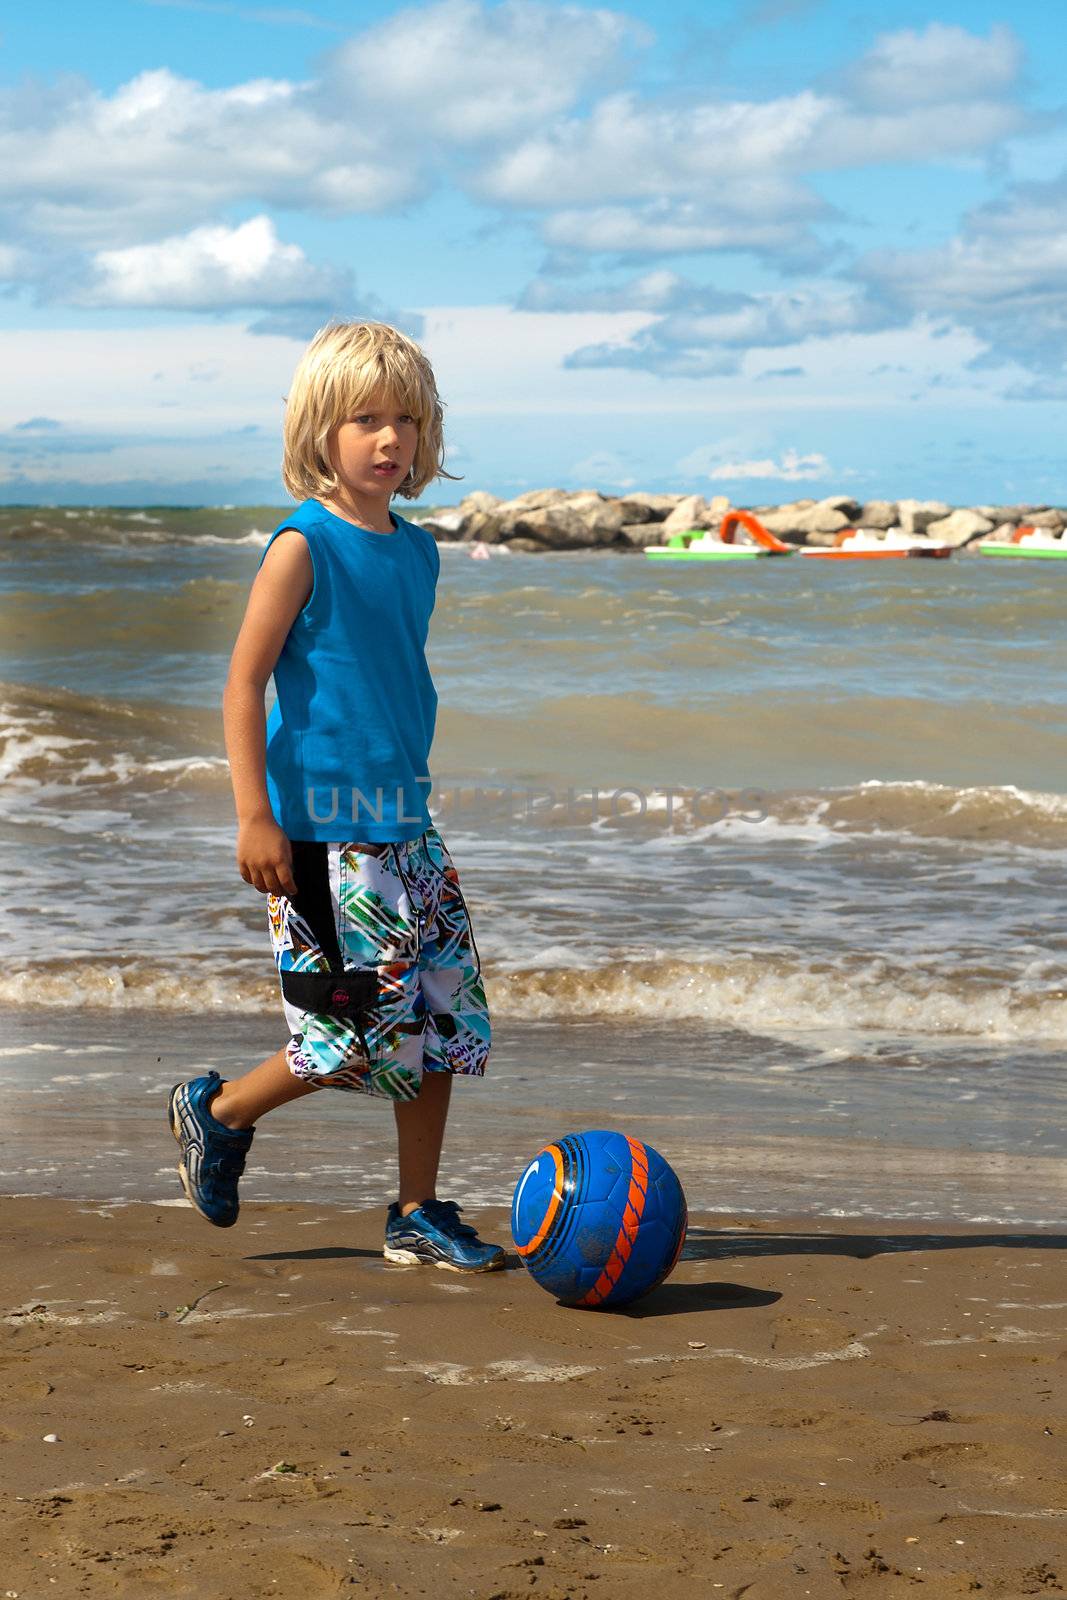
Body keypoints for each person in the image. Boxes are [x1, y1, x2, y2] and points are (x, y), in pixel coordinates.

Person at [167, 321, 504, 1272]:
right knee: (351, 1034)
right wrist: (254, 817)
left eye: (406, 420)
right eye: (365, 419)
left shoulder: (418, 552)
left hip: (408, 829)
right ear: (321, 429)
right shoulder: (301, 545)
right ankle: (221, 1109)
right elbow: (244, 685)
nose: (389, 440)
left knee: (441, 1023)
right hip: (322, 838)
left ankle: (417, 1211)